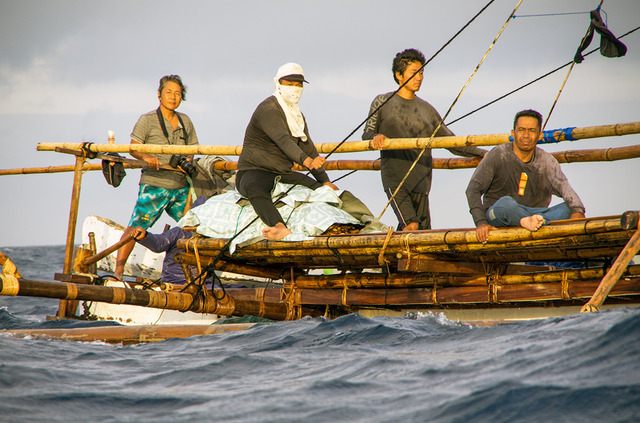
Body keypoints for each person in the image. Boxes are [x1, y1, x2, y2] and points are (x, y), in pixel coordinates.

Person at [363, 48, 486, 231]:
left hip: (422, 182)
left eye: (421, 73)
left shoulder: (427, 110)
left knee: (422, 232)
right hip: (395, 180)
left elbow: (453, 143)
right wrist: (376, 137)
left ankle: (391, 258)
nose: (419, 78)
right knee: (411, 225)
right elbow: (367, 133)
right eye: (414, 73)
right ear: (399, 75)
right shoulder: (382, 102)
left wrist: (486, 154)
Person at [236, 62, 338, 241]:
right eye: (289, 84)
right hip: (253, 171)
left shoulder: (297, 115)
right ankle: (279, 227)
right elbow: (283, 140)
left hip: (281, 173)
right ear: (278, 84)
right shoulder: (268, 109)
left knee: (322, 191)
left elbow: (308, 147)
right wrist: (307, 162)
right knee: (254, 188)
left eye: (298, 85)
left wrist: (325, 182)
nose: (295, 89)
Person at [114, 75, 199, 280]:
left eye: (178, 93)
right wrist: (146, 157)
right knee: (137, 226)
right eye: (169, 92)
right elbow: (134, 147)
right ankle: (118, 272)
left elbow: (192, 150)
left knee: (194, 227)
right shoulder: (147, 119)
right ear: (159, 95)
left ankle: (196, 274)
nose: (173, 97)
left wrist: (187, 160)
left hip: (180, 186)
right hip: (155, 184)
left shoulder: (185, 120)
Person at [465, 109, 586, 244]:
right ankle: (530, 221)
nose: (526, 135)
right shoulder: (498, 154)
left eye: (532, 131)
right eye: (521, 130)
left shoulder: (546, 161)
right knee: (505, 204)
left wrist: (577, 210)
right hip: (501, 214)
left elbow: (566, 189)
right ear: (513, 133)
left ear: (539, 135)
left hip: (536, 215)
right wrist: (481, 223)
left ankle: (535, 221)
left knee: (568, 209)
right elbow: (472, 189)